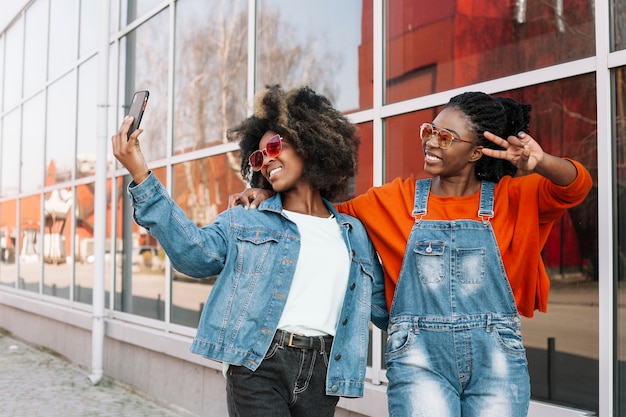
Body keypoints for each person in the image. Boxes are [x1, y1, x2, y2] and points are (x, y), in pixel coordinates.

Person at [230, 91, 593, 416]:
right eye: (428, 131)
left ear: (476, 152)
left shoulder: (512, 198)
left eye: (445, 137)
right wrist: (269, 195)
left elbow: (576, 186)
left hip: (497, 362)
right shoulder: (395, 199)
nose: (432, 142)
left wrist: (541, 162)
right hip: (420, 362)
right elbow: (322, 213)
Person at [111, 85, 388, 417]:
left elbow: (386, 309)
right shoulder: (247, 218)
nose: (266, 160)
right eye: (258, 156)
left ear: (310, 143)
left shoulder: (352, 232)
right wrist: (140, 173)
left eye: (274, 146)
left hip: (325, 371)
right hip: (259, 363)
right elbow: (193, 255)